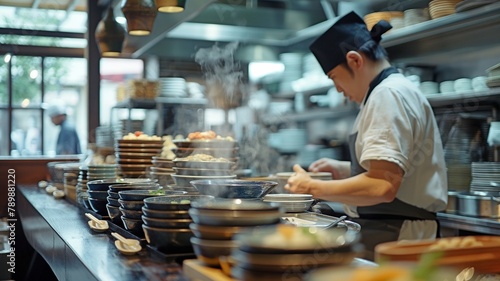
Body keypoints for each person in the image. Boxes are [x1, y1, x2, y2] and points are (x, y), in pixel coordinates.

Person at [284, 11, 448, 260]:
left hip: (399, 238)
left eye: (334, 78)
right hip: (390, 232)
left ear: (355, 60)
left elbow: (382, 185)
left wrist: (312, 187)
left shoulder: (387, 95)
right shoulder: (389, 91)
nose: (338, 90)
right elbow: (393, 169)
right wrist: (345, 168)